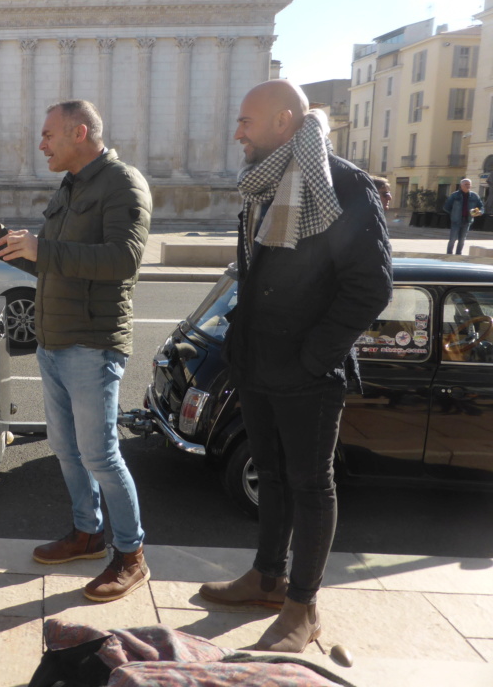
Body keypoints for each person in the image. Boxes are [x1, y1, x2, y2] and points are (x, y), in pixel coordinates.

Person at [198, 80, 392, 652]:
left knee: (311, 485)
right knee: (273, 475)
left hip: (308, 372)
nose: (237, 133)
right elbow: (254, 273)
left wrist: (314, 357)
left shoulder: (345, 186)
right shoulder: (264, 183)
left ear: (284, 121)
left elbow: (371, 288)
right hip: (258, 364)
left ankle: (303, 609)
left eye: (246, 122)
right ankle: (266, 577)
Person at [0, 100, 152, 603]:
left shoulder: (123, 183)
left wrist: (41, 248)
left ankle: (131, 555)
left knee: (101, 454)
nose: (42, 145)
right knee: (67, 450)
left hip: (92, 344)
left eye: (49, 135)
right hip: (54, 342)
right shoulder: (70, 187)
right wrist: (1, 239)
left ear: (80, 132)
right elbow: (51, 265)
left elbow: (124, 259)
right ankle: (87, 534)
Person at [445, 178, 483, 255]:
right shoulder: (454, 195)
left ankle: (458, 254)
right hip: (456, 221)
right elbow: (446, 207)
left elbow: (481, 206)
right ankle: (449, 254)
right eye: (466, 184)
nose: (468, 186)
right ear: (461, 186)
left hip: (467, 220)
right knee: (452, 239)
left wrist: (480, 212)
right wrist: (454, 214)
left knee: (462, 240)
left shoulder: (474, 196)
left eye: (469, 184)